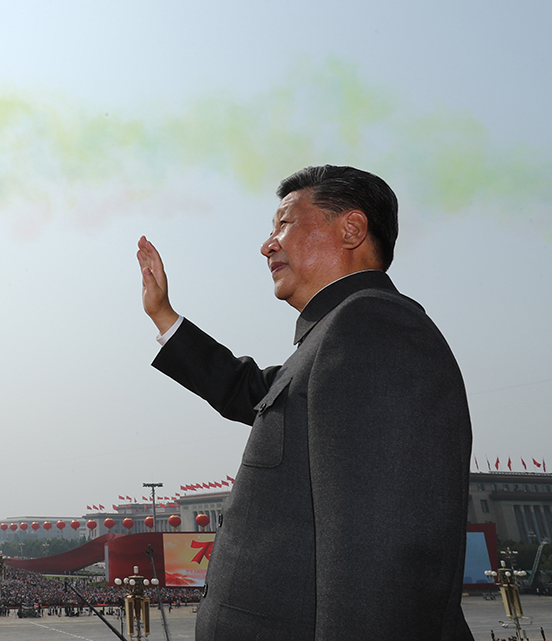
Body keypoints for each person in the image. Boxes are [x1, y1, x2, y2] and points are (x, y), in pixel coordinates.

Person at [137, 165, 473, 640]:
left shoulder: (374, 327)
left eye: (284, 224)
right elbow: (251, 392)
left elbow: (382, 561)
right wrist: (164, 316)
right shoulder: (337, 336)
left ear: (351, 229)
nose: (267, 245)